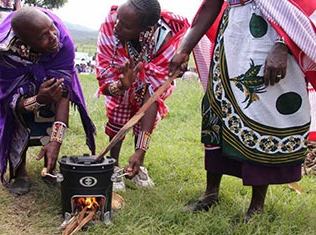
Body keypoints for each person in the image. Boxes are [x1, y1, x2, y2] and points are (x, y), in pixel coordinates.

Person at [169, 0, 316, 219]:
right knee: (216, 113)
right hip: (231, 36)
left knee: (262, 115)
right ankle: (211, 193)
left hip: (269, 39)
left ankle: (256, 207)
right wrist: (184, 48)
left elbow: (299, 4)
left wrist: (282, 43)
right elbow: (211, 4)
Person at [0, 6, 96, 195]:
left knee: (53, 97)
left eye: (52, 28)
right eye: (43, 36)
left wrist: (56, 140)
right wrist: (37, 100)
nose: (53, 37)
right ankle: (20, 172)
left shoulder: (63, 41)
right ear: (25, 43)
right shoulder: (6, 53)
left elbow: (64, 95)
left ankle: (49, 164)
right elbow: (10, 101)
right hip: (22, 93)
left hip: (48, 86)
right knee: (17, 114)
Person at [95, 0, 189, 191]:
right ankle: (113, 164)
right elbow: (104, 76)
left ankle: (137, 163)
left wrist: (141, 151)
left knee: (146, 112)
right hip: (121, 80)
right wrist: (122, 85)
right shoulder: (110, 24)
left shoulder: (166, 40)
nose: (117, 26)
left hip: (150, 87)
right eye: (118, 19)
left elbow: (153, 97)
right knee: (119, 111)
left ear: (145, 28)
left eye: (126, 25)